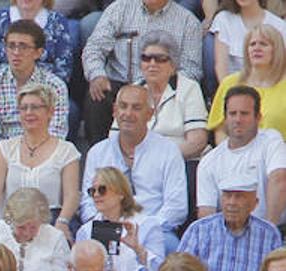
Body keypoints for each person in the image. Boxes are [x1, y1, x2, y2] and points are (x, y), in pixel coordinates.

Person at [81, 0, 201, 140]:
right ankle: (101, 155)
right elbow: (94, 48)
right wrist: (97, 75)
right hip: (120, 85)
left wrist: (160, 83)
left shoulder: (188, 22)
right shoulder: (119, 8)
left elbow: (191, 70)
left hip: (162, 88)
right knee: (97, 94)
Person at [83, 89, 188, 249]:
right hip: (108, 228)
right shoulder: (98, 152)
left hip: (155, 230)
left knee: (172, 248)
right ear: (114, 111)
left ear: (150, 114)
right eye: (123, 106)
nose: (128, 113)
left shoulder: (168, 150)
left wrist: (145, 230)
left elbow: (177, 207)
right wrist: (110, 227)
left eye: (136, 108)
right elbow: (88, 203)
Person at [179, 175, 283, 271]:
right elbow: (180, 270)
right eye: (227, 196)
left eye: (239, 197)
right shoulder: (199, 229)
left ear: (255, 203)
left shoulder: (269, 234)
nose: (231, 203)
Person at [0, 83, 79, 234]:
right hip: (12, 226)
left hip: (50, 225)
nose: (28, 112)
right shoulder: (4, 149)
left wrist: (62, 222)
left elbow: (71, 195)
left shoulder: (67, 151)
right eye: (24, 108)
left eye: (35, 107)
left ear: (50, 112)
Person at [75, 167, 164, 271]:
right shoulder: (85, 232)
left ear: (120, 193)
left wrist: (138, 249)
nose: (96, 195)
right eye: (92, 191)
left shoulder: (147, 225)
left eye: (102, 190)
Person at [0, 20, 69, 157]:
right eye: (11, 46)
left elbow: (57, 133)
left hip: (45, 157)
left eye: (23, 47)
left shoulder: (55, 86)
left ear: (38, 52)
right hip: (4, 158)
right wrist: (15, 161)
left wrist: (34, 158)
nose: (16, 52)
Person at [197, 86, 286, 227]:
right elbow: (206, 212)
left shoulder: (271, 140)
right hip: (227, 235)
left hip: (275, 229)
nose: (238, 119)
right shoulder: (209, 161)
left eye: (244, 113)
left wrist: (269, 231)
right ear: (225, 118)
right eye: (232, 114)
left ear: (258, 117)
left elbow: (279, 179)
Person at [127, 32, 208, 161]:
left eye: (160, 59)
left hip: (180, 161)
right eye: (146, 58)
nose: (152, 64)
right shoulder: (133, 90)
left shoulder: (189, 88)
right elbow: (116, 136)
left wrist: (158, 159)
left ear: (173, 65)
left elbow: (197, 142)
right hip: (137, 162)